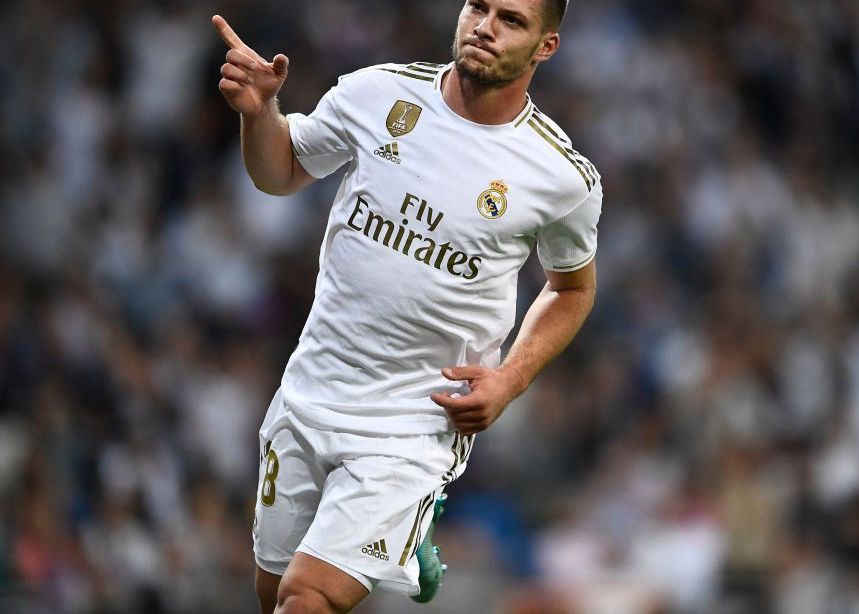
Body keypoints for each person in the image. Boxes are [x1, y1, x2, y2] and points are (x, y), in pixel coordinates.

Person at [212, 0, 601, 611]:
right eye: (478, 6)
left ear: (545, 46)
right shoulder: (377, 93)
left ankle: (409, 512)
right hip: (310, 391)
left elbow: (570, 288)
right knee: (272, 595)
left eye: (512, 19)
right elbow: (279, 171)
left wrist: (510, 380)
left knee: (305, 598)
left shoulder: (559, 175)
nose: (485, 27)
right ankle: (407, 541)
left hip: (413, 422)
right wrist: (260, 113)